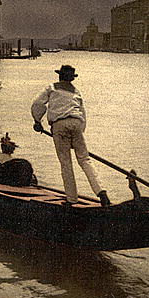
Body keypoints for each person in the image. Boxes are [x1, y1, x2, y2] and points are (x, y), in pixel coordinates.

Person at [31, 65, 111, 207]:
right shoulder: (76, 92)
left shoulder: (52, 87)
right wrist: (78, 135)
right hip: (76, 124)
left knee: (66, 162)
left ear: (59, 76)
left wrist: (37, 121)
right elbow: (83, 115)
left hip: (59, 126)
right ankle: (101, 192)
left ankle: (71, 199)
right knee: (84, 159)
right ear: (71, 78)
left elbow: (38, 104)